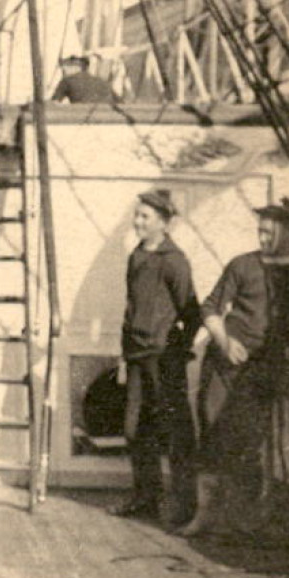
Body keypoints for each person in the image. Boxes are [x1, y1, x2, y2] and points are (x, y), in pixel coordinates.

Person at [176, 198, 289, 538]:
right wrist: (224, 341)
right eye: (260, 232)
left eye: (269, 233)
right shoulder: (243, 265)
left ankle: (243, 520)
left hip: (268, 368)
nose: (263, 239)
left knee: (249, 442)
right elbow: (210, 309)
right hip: (227, 364)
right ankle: (204, 516)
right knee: (213, 432)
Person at [110, 189, 201, 524]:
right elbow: (130, 307)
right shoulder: (137, 256)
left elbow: (192, 313)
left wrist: (175, 351)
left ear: (163, 222)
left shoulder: (174, 260)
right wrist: (125, 355)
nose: (137, 221)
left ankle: (184, 506)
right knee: (135, 430)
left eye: (145, 216)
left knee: (175, 431)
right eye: (137, 215)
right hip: (136, 356)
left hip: (163, 359)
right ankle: (146, 496)